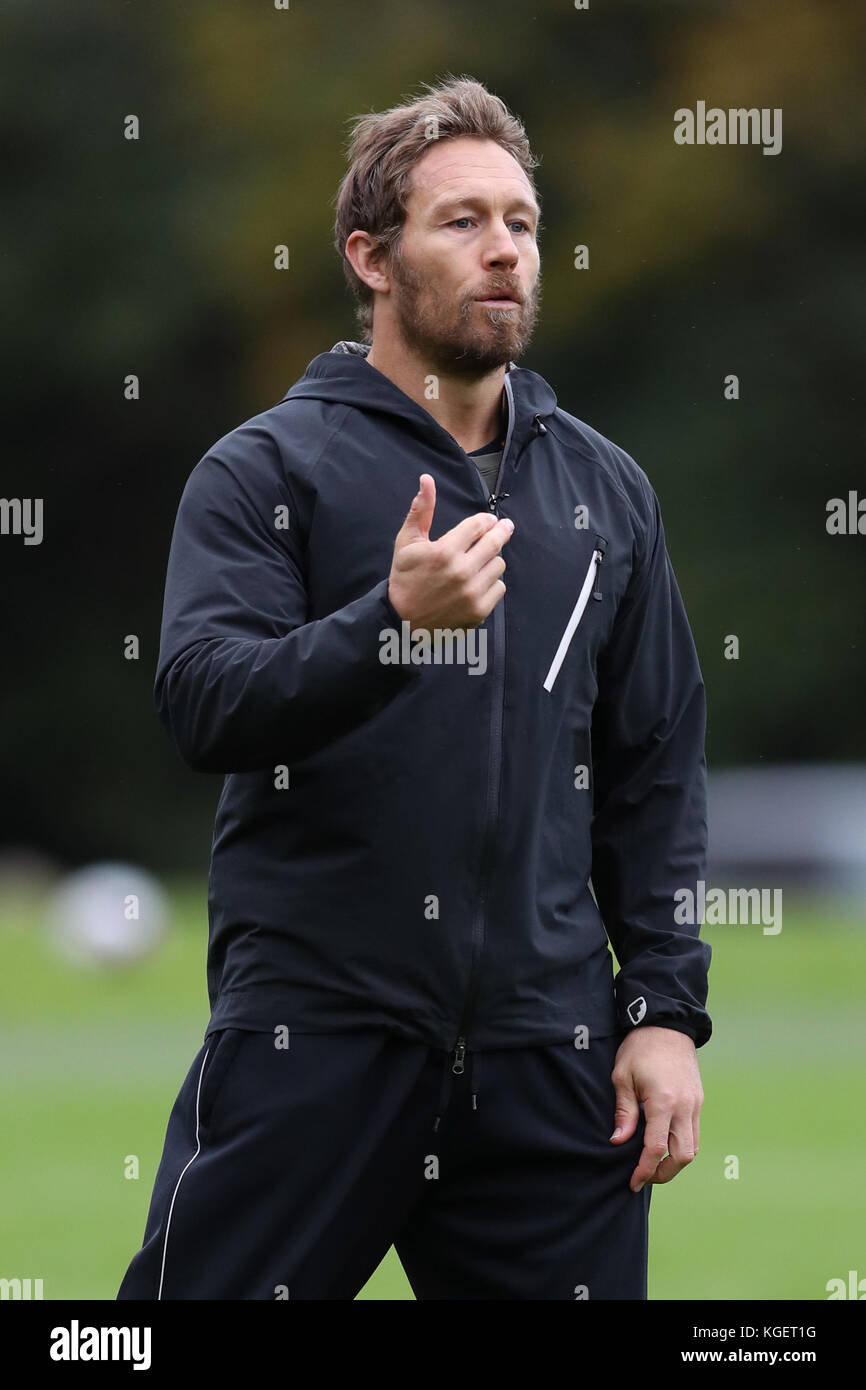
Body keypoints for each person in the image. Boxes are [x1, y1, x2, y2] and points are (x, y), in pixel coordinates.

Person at [118, 75, 711, 1302]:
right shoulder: (264, 469)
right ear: (369, 257)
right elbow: (203, 701)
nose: (503, 251)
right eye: (461, 222)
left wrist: (659, 1009)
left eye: (521, 222)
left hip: (550, 1062)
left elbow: (653, 771)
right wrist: (389, 624)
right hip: (317, 1042)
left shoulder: (607, 494)